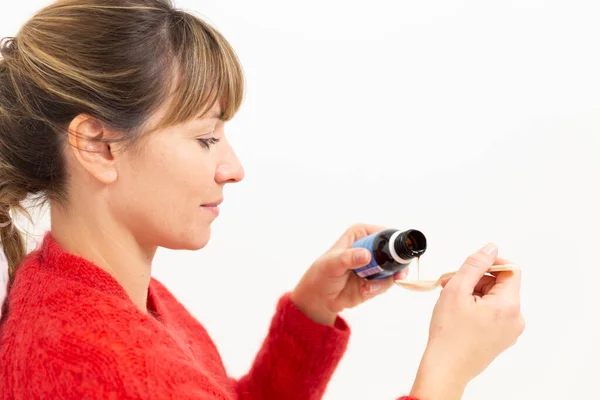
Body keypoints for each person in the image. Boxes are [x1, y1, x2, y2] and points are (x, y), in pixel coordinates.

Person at [0, 1, 525, 399]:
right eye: (206, 137)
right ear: (98, 145)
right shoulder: (99, 360)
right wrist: (447, 370)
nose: (233, 169)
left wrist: (311, 313)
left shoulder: (84, 293)